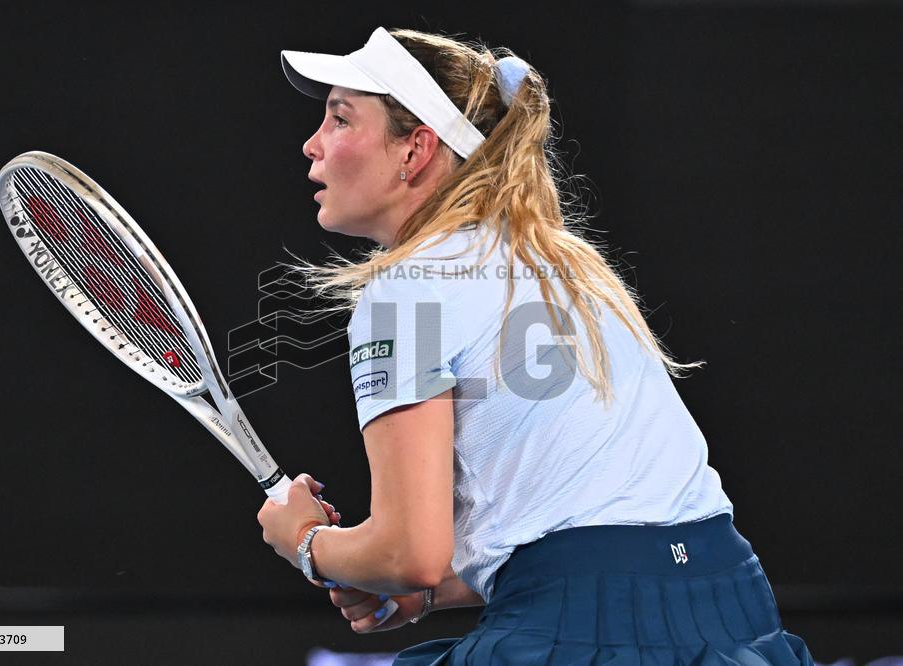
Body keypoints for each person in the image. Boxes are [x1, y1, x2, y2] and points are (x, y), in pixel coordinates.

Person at [258, 26, 815, 665]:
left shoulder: (404, 294)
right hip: (735, 606)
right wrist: (429, 595)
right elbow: (584, 516)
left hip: (585, 625)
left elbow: (407, 553)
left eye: (338, 119)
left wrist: (305, 540)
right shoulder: (572, 268)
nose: (311, 145)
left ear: (415, 151)